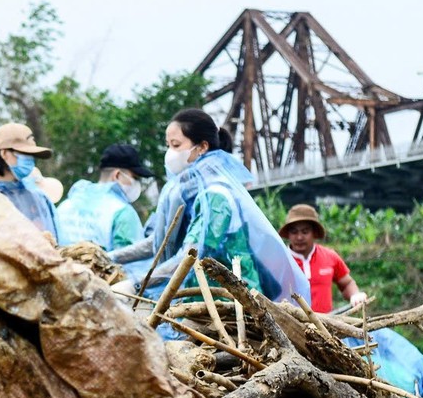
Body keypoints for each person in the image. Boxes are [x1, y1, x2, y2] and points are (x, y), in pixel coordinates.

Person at [129, 109, 303, 303]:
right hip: (202, 298)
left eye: (176, 145)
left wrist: (136, 284)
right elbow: (159, 242)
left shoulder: (216, 195)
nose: (170, 153)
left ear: (202, 147)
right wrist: (112, 258)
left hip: (231, 303)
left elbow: (190, 255)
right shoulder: (189, 192)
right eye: (168, 145)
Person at [55, 141, 152, 250]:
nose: (137, 183)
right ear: (117, 175)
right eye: (135, 178)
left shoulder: (67, 205)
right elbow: (133, 262)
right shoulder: (122, 213)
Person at [278, 203, 366, 314]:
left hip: (326, 324)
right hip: (289, 325)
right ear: (288, 234)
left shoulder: (330, 256)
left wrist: (355, 295)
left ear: (314, 232)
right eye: (294, 232)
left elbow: (346, 283)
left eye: (305, 232)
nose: (299, 237)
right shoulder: (280, 260)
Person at [0, 122, 59, 239]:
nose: (30, 160)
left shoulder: (39, 197)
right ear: (4, 153)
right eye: (25, 154)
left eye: (32, 155)